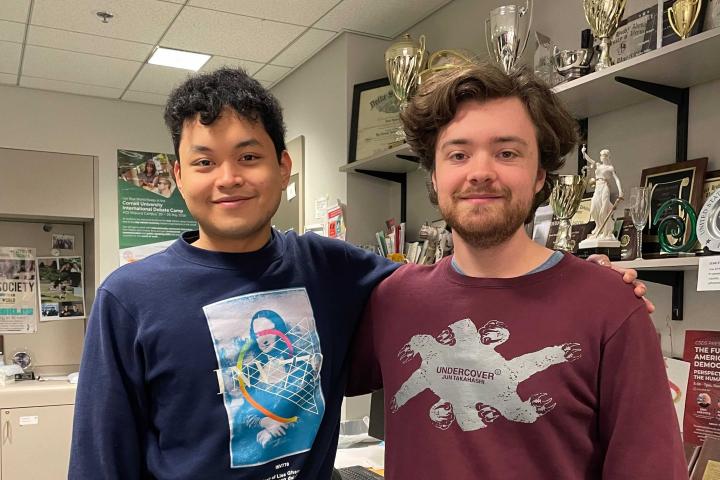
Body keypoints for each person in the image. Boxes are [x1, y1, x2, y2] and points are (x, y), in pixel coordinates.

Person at [69, 67, 650, 480]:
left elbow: (476, 286)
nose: (228, 178)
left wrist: (595, 283)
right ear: (177, 174)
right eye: (204, 161)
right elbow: (100, 459)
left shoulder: (340, 271)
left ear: (283, 166)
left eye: (249, 156)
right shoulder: (129, 296)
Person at [347, 63, 686, 479]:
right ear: (434, 176)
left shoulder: (610, 308)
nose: (481, 172)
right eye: (458, 154)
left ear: (540, 174)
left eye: (507, 152)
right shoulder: (393, 299)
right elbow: (307, 380)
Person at [582, 146, 623, 241]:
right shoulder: (597, 165)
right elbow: (589, 160)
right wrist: (584, 153)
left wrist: (620, 191)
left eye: (605, 156)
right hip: (597, 187)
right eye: (601, 156)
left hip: (605, 187)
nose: (603, 157)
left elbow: (616, 179)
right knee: (593, 210)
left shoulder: (610, 168)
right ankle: (598, 227)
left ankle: (605, 232)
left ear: (608, 157)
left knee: (603, 210)